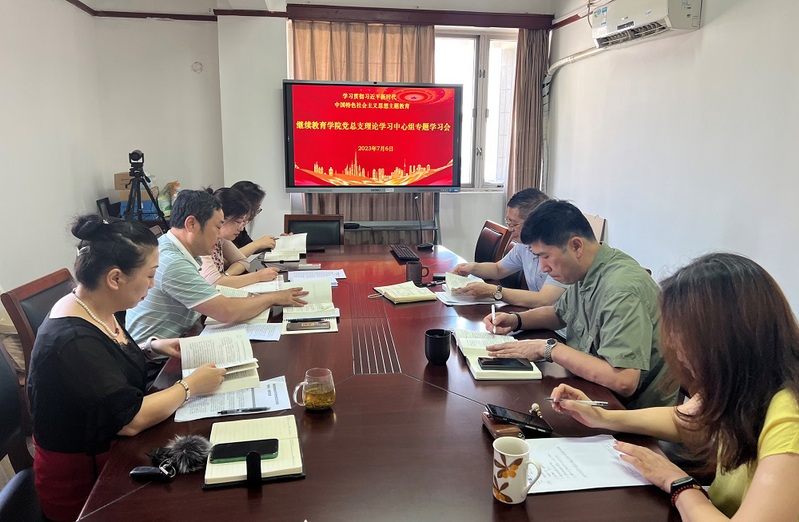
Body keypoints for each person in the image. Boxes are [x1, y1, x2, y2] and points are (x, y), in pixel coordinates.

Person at [550, 253, 799, 520]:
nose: (675, 349)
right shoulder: (752, 380)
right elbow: (689, 420)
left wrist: (678, 482)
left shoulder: (790, 418)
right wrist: (603, 416)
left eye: (683, 336)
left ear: (723, 340)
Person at [26, 215, 227, 521]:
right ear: (115, 278)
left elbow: (105, 360)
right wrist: (191, 386)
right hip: (88, 486)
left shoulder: (93, 304)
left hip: (115, 453)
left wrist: (151, 346)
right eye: (150, 275)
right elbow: (130, 420)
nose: (153, 284)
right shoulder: (73, 340)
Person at [485, 200, 676, 409]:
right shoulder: (586, 270)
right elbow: (559, 314)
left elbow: (624, 380)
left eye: (545, 256)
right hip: (592, 390)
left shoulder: (620, 289)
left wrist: (548, 349)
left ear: (576, 246)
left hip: (630, 412)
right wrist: (516, 320)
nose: (543, 268)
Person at [126, 190, 307, 345]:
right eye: (217, 227)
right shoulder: (173, 261)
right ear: (191, 224)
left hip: (180, 338)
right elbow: (227, 311)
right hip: (158, 360)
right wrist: (274, 297)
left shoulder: (177, 247)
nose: (220, 235)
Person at [452, 188, 567, 308]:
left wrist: (494, 291)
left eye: (514, 224)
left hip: (557, 318)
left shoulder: (560, 250)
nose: (510, 229)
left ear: (535, 223)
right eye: (508, 222)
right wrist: (471, 268)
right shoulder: (524, 245)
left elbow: (544, 300)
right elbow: (499, 269)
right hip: (537, 314)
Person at [199, 187, 279, 288]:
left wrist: (226, 275)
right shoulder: (201, 242)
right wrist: (257, 276)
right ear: (221, 218)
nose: (241, 228)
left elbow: (242, 261)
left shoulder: (221, 239)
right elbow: (215, 283)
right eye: (238, 222)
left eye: (243, 222)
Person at [230, 180, 278, 257]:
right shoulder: (224, 230)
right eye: (255, 209)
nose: (255, 214)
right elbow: (227, 259)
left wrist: (272, 242)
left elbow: (247, 246)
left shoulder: (240, 229)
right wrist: (257, 244)